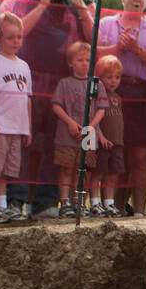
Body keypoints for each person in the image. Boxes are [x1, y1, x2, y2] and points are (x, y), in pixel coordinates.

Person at [8, 0, 93, 220]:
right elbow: (16, 33)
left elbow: (93, 39)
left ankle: (45, 202)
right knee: (22, 140)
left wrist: (80, 6)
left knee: (56, 144)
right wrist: (42, 5)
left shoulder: (74, 3)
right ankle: (14, 201)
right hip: (28, 80)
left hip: (62, 84)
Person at [89, 0, 146, 217]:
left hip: (143, 94)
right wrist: (117, 49)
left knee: (141, 155)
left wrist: (137, 50)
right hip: (112, 93)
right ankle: (113, 208)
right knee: (113, 151)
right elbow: (92, 53)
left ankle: (140, 212)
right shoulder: (106, 24)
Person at [0, 14, 32, 223]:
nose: (16, 41)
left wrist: (28, 128)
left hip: (17, 127)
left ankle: (2, 206)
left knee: (5, 171)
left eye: (19, 37)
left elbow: (28, 99)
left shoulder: (24, 66)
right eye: (10, 37)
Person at [51, 42, 103, 218]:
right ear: (71, 62)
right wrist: (70, 123)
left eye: (88, 60)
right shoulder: (64, 83)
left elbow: (101, 108)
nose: (84, 63)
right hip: (67, 135)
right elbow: (56, 105)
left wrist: (90, 127)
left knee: (84, 170)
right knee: (66, 169)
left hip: (88, 136)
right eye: (80, 59)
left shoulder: (96, 84)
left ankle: (79, 202)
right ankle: (64, 203)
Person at [88, 55, 125, 217]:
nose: (113, 81)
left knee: (113, 173)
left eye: (117, 77)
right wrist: (100, 137)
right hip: (101, 142)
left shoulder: (118, 97)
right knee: (98, 172)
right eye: (109, 77)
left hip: (117, 141)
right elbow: (93, 118)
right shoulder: (97, 96)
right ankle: (95, 203)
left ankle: (109, 203)